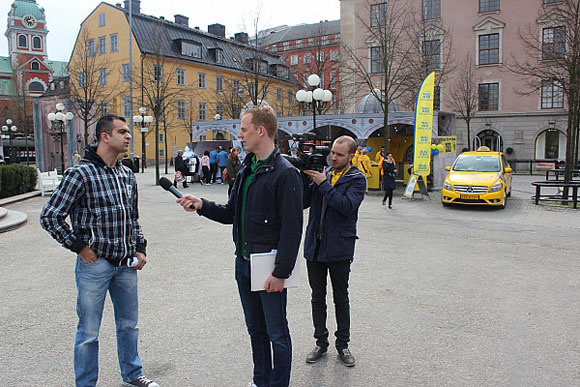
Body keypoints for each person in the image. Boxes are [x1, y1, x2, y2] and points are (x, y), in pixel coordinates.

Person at [176, 106, 303, 387]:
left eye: (244, 129)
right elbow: (232, 213)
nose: (239, 134)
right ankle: (260, 381)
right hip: (244, 265)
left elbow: (293, 230)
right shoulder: (247, 168)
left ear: (261, 130)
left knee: (277, 334)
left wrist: (281, 273)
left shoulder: (285, 173)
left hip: (269, 268)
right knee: (255, 330)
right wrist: (201, 205)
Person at [39, 115, 158, 387]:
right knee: (89, 332)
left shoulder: (126, 174)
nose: (129, 136)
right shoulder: (79, 174)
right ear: (105, 136)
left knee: (129, 325)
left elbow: (132, 217)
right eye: (122, 131)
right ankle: (86, 383)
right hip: (95, 265)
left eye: (129, 131)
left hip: (126, 264)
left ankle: (132, 374)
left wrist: (140, 247)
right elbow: (50, 216)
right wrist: (79, 247)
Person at [302, 135, 366, 368]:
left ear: (352, 155)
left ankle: (343, 345)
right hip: (315, 247)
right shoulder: (323, 173)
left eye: (339, 154)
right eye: (332, 153)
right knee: (317, 297)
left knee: (341, 298)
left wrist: (323, 184)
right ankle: (321, 342)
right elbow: (302, 202)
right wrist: (304, 179)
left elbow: (346, 207)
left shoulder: (357, 179)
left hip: (339, 248)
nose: (334, 157)